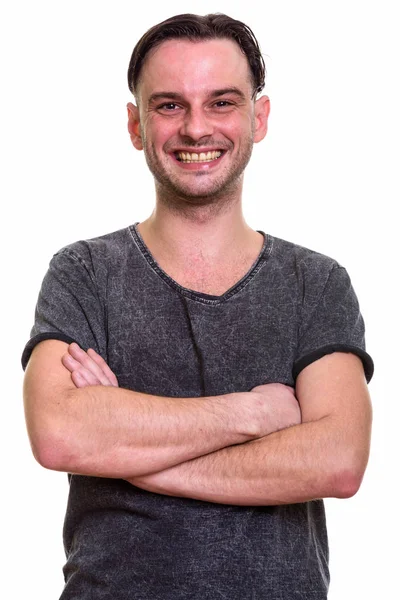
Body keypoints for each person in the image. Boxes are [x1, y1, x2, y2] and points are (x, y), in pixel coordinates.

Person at [22, 12, 373, 600]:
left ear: (258, 118)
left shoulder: (316, 282)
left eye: (221, 102)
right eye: (168, 105)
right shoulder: (83, 272)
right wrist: (252, 415)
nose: (195, 129)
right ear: (135, 125)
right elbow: (59, 433)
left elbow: (338, 460)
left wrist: (129, 452)